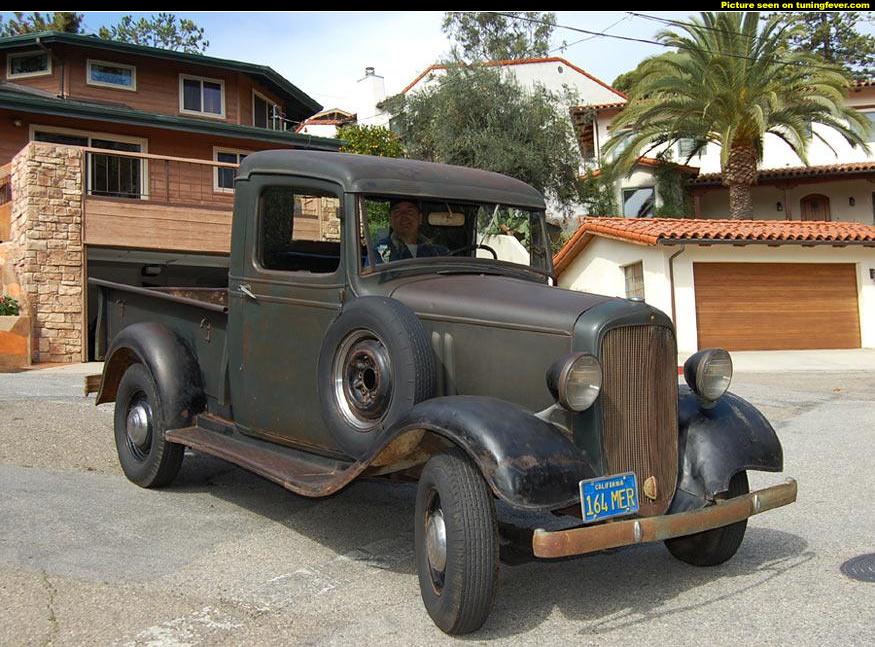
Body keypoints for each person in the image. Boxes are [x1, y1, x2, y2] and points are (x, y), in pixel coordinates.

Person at [374, 199, 448, 263]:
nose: (404, 216)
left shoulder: (438, 252)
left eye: (410, 212)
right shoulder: (381, 250)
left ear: (420, 218)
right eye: (397, 212)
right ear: (390, 220)